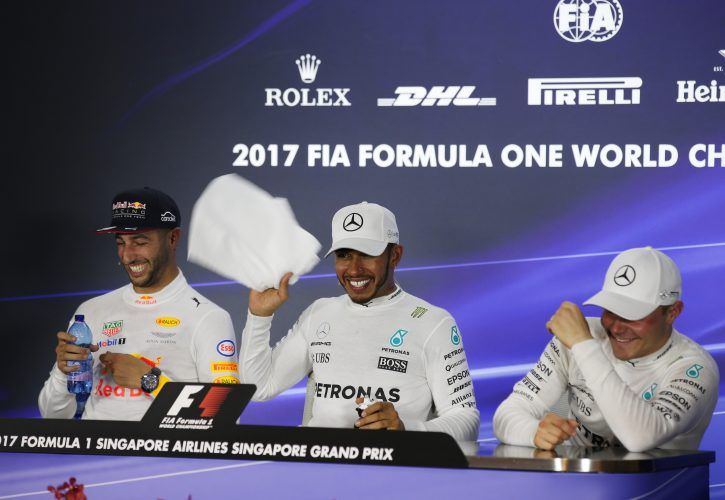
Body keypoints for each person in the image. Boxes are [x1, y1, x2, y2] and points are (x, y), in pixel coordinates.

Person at [240, 202, 479, 440]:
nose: (354, 270)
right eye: (344, 255)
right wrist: (259, 316)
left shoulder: (434, 322)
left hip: (393, 462)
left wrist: (406, 430)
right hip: (319, 460)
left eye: (367, 254)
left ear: (395, 255)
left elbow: (466, 419)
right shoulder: (319, 312)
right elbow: (259, 387)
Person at [39, 187, 238, 420]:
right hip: (94, 444)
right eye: (120, 242)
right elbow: (52, 416)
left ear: (173, 238)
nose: (127, 256)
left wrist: (150, 381)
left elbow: (225, 418)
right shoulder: (90, 311)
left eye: (140, 242)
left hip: (166, 446)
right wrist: (63, 372)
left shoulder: (209, 318)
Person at [494, 247, 719, 452]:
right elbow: (506, 414)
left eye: (632, 315)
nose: (616, 328)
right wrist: (534, 432)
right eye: (610, 311)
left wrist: (583, 345)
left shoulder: (695, 368)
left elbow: (640, 438)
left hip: (658, 484)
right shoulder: (583, 335)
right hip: (576, 480)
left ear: (672, 312)